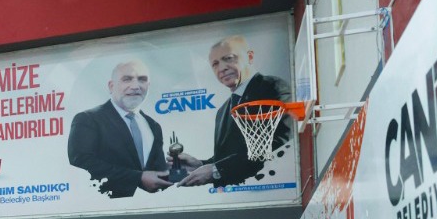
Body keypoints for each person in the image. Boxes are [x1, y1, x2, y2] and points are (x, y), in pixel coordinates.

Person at [177, 36, 293, 188]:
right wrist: (200, 164)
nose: (221, 68)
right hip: (236, 195)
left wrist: (216, 170)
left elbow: (280, 144)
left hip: (270, 189)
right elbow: (229, 157)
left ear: (249, 57)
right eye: (215, 64)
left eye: (228, 58)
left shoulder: (273, 87)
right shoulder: (222, 111)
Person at [66, 59, 171, 198]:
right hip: (105, 205)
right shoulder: (88, 119)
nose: (136, 86)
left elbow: (157, 170)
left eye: (142, 79)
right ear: (111, 86)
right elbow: (81, 162)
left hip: (150, 206)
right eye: (127, 79)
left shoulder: (153, 125)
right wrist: (137, 177)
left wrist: (176, 170)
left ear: (148, 85)